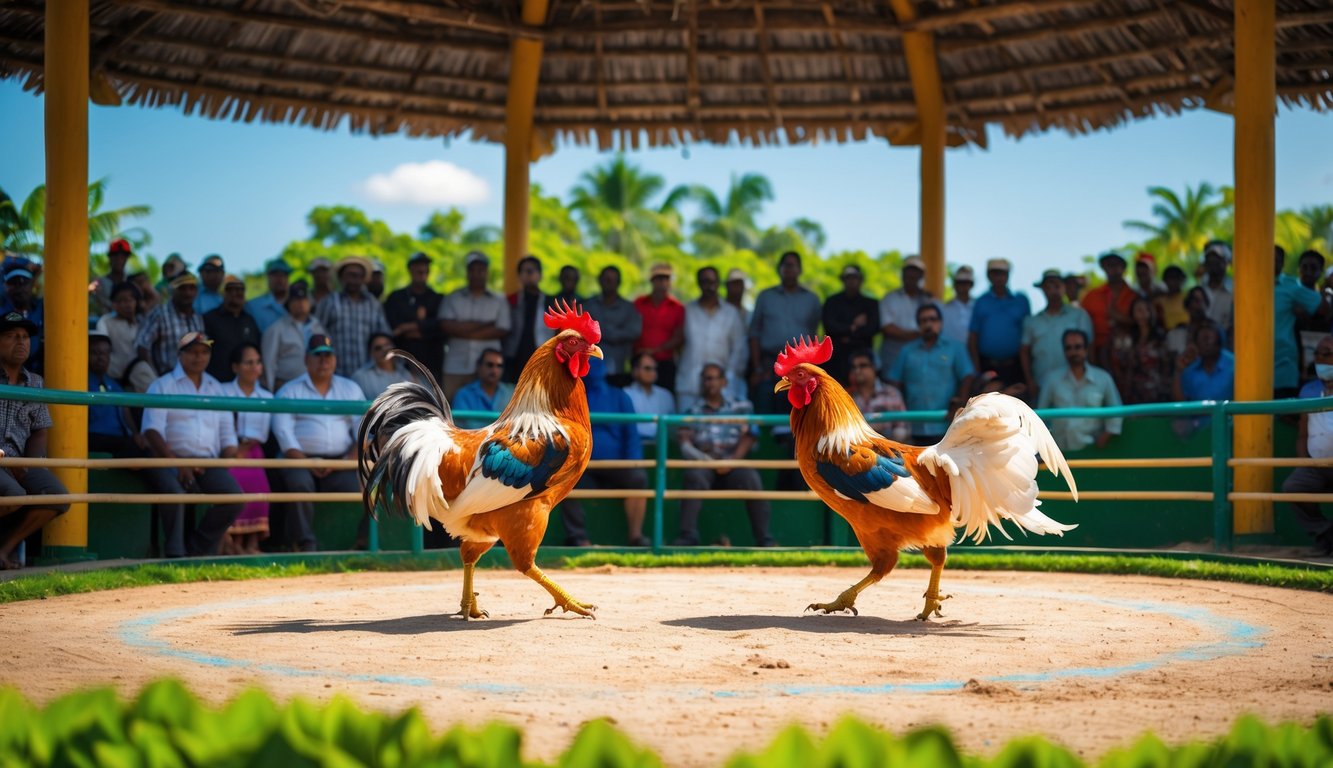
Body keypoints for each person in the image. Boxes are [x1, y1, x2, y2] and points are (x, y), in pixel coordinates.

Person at [140, 332, 243, 557]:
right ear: (180, 355)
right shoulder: (163, 385)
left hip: (207, 462)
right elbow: (151, 430)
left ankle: (198, 550)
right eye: (194, 352)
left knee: (235, 497)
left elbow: (228, 438)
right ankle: (175, 554)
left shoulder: (216, 388)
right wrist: (176, 463)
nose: (200, 357)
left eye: (205, 352)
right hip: (167, 459)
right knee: (176, 493)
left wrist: (219, 464)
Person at [272, 334, 363, 552]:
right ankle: (304, 544)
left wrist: (346, 460)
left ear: (335, 359)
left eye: (328, 356)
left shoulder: (350, 389)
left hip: (340, 460)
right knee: (300, 484)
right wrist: (307, 461)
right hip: (298, 459)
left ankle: (362, 544)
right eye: (318, 356)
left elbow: (365, 432)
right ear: (306, 359)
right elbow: (284, 434)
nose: (324, 361)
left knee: (363, 487)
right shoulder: (289, 390)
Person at [673, 364, 775, 547]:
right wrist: (707, 462)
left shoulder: (741, 406)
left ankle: (765, 539)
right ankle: (688, 537)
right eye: (705, 378)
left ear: (724, 381)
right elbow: (684, 443)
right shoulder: (691, 410)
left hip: (733, 463)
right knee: (693, 477)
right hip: (703, 464)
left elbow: (752, 435)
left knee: (750, 477)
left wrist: (732, 460)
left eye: (713, 378)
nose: (709, 382)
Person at [556, 356, 650, 547]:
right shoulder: (570, 397)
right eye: (587, 364)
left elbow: (631, 434)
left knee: (638, 478)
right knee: (563, 480)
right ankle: (579, 538)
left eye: (596, 363)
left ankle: (635, 536)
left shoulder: (620, 397)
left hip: (616, 465)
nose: (594, 369)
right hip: (582, 465)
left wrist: (632, 462)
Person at [0, 312, 69, 568]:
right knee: (13, 493)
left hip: (19, 461)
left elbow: (41, 429)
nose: (21, 342)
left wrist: (30, 463)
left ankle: (3, 550)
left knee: (57, 496)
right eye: (11, 336)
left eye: (25, 337)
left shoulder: (35, 382)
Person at [887, 303, 974, 444]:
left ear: (941, 323)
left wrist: (960, 404)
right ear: (918, 325)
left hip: (947, 423)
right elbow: (894, 381)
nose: (928, 324)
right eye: (923, 321)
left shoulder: (955, 347)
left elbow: (967, 376)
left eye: (932, 319)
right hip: (913, 424)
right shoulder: (907, 351)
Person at [218, 343, 273, 555]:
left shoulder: (267, 397)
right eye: (248, 362)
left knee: (261, 488)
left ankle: (252, 543)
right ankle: (234, 543)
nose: (254, 367)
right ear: (235, 367)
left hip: (254, 451)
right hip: (229, 450)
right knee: (236, 484)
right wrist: (234, 447)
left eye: (258, 362)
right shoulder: (223, 391)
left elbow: (262, 432)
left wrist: (245, 445)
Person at [748, 250, 821, 409]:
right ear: (779, 269)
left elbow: (816, 334)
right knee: (766, 407)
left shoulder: (812, 300)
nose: (789, 269)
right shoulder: (765, 297)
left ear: (800, 270)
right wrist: (758, 368)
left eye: (793, 265)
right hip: (769, 365)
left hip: (802, 368)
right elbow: (754, 333)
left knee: (800, 414)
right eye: (785, 265)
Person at [1281, 334, 1333, 557]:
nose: (1321, 359)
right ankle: (1326, 534)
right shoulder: (1309, 391)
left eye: (1328, 354)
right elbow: (1302, 434)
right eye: (1318, 354)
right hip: (1316, 466)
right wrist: (1305, 462)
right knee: (1293, 487)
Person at [1037, 329, 1122, 453]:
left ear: (1086, 350)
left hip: (1093, 450)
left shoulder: (1103, 379)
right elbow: (1040, 415)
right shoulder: (1051, 380)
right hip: (1059, 451)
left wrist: (1104, 437)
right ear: (1064, 351)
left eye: (1078, 347)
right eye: (1068, 348)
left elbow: (1117, 411)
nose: (1073, 352)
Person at [676, 266, 747, 413]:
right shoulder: (687, 311)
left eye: (714, 282)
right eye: (705, 281)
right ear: (699, 284)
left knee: (721, 432)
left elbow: (739, 348)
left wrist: (727, 378)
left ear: (719, 283)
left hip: (722, 387)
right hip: (690, 382)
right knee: (687, 430)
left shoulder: (731, 313)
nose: (710, 286)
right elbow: (676, 342)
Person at [440, 251, 510, 398]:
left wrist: (462, 329)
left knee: (487, 414)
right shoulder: (453, 297)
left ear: (487, 273)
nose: (477, 274)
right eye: (473, 270)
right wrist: (485, 325)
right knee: (451, 412)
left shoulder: (499, 300)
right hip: (455, 366)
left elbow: (502, 330)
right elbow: (446, 326)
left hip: (489, 368)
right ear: (467, 272)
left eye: (481, 270)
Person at [1022, 269, 1093, 401]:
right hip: (1041, 382)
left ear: (1064, 288)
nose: (1053, 290)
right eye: (1048, 286)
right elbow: (1024, 351)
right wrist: (1030, 380)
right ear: (1042, 289)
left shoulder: (1079, 315)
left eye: (1057, 286)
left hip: (1074, 383)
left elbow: (1090, 348)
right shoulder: (1032, 321)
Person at [314, 255, 391, 376]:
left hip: (368, 374)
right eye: (350, 275)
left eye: (359, 276)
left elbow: (384, 336)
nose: (354, 279)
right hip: (335, 373)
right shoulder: (329, 301)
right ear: (341, 277)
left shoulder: (373, 304)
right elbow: (317, 333)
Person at [967, 258, 1030, 389]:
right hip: (987, 365)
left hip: (1015, 365)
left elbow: (1029, 335)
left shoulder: (1021, 300)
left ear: (1008, 275)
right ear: (988, 275)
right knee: (989, 405)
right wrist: (976, 367)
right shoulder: (981, 302)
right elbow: (973, 336)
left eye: (1002, 273)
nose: (999, 277)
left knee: (1016, 405)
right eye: (995, 273)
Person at [383, 251, 445, 383]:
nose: (422, 271)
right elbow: (393, 329)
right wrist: (423, 326)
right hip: (401, 365)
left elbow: (440, 327)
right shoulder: (396, 297)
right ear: (410, 269)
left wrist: (408, 327)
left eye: (425, 269)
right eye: (418, 268)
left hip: (431, 365)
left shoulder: (437, 298)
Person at [1274, 245, 1324, 398]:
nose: (1308, 272)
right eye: (1305, 267)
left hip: (1307, 370)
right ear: (1299, 269)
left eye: (1313, 268)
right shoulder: (1292, 291)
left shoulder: (1292, 289)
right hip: (1291, 368)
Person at [135, 272, 204, 376]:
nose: (187, 293)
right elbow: (142, 346)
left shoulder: (197, 318)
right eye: (182, 288)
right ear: (173, 290)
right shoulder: (160, 314)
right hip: (165, 379)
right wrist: (153, 376)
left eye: (191, 288)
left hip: (191, 380)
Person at [261, 280, 326, 392]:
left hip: (315, 387)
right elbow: (268, 363)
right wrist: (271, 392)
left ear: (310, 302)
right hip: (286, 386)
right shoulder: (276, 329)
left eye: (304, 299)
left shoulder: (318, 327)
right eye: (296, 300)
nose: (301, 303)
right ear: (289, 303)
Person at [821, 263, 880, 385]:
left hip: (863, 357)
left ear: (861, 280)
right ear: (843, 280)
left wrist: (844, 332)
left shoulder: (871, 304)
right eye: (848, 277)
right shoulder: (832, 302)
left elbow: (872, 329)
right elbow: (829, 327)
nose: (851, 281)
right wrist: (853, 326)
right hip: (836, 360)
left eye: (855, 277)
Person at [877, 255, 933, 382]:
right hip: (892, 358)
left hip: (920, 360)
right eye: (909, 271)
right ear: (903, 273)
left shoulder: (928, 299)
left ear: (921, 275)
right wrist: (918, 335)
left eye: (916, 272)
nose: (912, 275)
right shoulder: (890, 298)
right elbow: (887, 328)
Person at [1108, 296, 1173, 404]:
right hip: (1133, 392)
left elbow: (1166, 365)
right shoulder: (1127, 338)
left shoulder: (1160, 337)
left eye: (1145, 309)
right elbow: (1119, 362)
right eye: (1138, 310)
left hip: (1157, 392)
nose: (1142, 313)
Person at [1171, 323, 1232, 437]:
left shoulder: (1234, 366)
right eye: (1202, 339)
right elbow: (1181, 404)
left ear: (1220, 341)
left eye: (1209, 338)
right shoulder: (1189, 371)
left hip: (1230, 427)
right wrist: (1178, 371)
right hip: (1199, 430)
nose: (1206, 343)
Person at [87, 331, 142, 458]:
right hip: (93, 436)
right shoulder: (77, 382)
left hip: (119, 438)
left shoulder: (115, 385)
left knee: (143, 447)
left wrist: (136, 435)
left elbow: (126, 413)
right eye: (95, 353)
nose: (101, 357)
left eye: (105, 353)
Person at [634, 262, 686, 394]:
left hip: (664, 364)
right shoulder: (639, 303)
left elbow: (679, 336)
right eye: (659, 278)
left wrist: (656, 350)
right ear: (652, 280)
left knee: (665, 397)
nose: (663, 282)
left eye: (666, 278)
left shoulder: (677, 307)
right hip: (640, 361)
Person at [583, 265, 642, 381]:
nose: (609, 282)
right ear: (600, 281)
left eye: (612, 280)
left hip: (619, 364)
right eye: (606, 279)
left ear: (618, 282)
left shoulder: (628, 308)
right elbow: (581, 329)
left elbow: (635, 331)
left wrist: (609, 333)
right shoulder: (588, 305)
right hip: (591, 364)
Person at [95, 281, 155, 392]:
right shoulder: (106, 321)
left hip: (140, 372)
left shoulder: (142, 322)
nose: (126, 304)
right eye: (120, 301)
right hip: (113, 376)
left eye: (130, 300)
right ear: (113, 304)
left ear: (136, 302)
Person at [503, 255, 554, 384]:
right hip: (514, 357)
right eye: (522, 272)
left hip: (541, 357)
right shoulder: (511, 300)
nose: (526, 275)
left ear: (540, 275)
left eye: (530, 271)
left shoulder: (551, 302)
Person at [203, 274, 262, 383]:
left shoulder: (250, 320)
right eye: (231, 289)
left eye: (240, 289)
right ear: (223, 293)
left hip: (246, 386)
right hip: (217, 385)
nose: (236, 293)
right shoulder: (209, 319)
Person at [1081, 251, 1136, 367]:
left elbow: (1143, 322)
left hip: (1129, 351)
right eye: (1109, 265)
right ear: (1103, 268)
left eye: (1117, 265)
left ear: (1124, 268)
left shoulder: (1134, 296)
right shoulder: (1091, 296)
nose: (1113, 269)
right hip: (1097, 354)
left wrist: (1120, 317)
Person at [845, 348, 906, 440]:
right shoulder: (846, 396)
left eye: (863, 365)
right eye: (854, 367)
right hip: (856, 450)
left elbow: (903, 428)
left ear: (875, 367)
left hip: (889, 450)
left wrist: (885, 432)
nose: (857, 370)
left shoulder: (892, 393)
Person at [452, 348, 515, 427]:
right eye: (490, 365)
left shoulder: (511, 393)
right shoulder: (463, 395)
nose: (494, 370)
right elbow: (462, 428)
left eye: (499, 366)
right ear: (479, 366)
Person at [623, 351, 675, 445]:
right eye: (647, 368)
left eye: (654, 369)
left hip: (663, 446)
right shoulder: (625, 394)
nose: (652, 372)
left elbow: (673, 426)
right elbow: (627, 427)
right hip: (636, 445)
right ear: (635, 371)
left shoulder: (666, 395)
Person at [352, 332, 425, 399]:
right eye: (378, 348)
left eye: (387, 345)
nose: (384, 349)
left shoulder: (408, 373)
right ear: (371, 353)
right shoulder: (361, 377)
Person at [1, 261, 44, 373]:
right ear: (6, 286)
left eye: (24, 282)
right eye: (13, 283)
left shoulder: (42, 309)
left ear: (32, 285)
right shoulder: (1, 312)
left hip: (36, 373)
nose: (19, 287)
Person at [1165, 286, 1218, 357]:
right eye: (1195, 300)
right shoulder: (1175, 334)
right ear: (1187, 306)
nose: (1199, 305)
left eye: (1202, 300)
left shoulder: (1215, 333)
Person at [244, 258, 293, 333]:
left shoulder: (299, 304)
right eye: (276, 275)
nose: (280, 279)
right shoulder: (253, 306)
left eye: (284, 275)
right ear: (268, 277)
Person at [90, 238, 133, 317]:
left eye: (122, 256)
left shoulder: (132, 282)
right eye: (115, 256)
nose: (119, 260)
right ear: (110, 258)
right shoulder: (99, 282)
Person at [1199, 241, 1234, 335]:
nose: (1213, 263)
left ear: (1226, 263)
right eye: (1209, 260)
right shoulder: (1198, 291)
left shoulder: (1235, 291)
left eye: (1217, 260)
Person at [940, 265, 975, 345]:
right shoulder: (944, 309)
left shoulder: (978, 307)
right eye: (959, 282)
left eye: (966, 282)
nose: (963, 286)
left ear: (971, 285)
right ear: (954, 285)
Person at [1155, 265, 1189, 332]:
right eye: (1169, 278)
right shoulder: (1158, 301)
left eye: (1176, 278)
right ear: (1165, 281)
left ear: (1182, 280)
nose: (1172, 282)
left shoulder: (1188, 297)